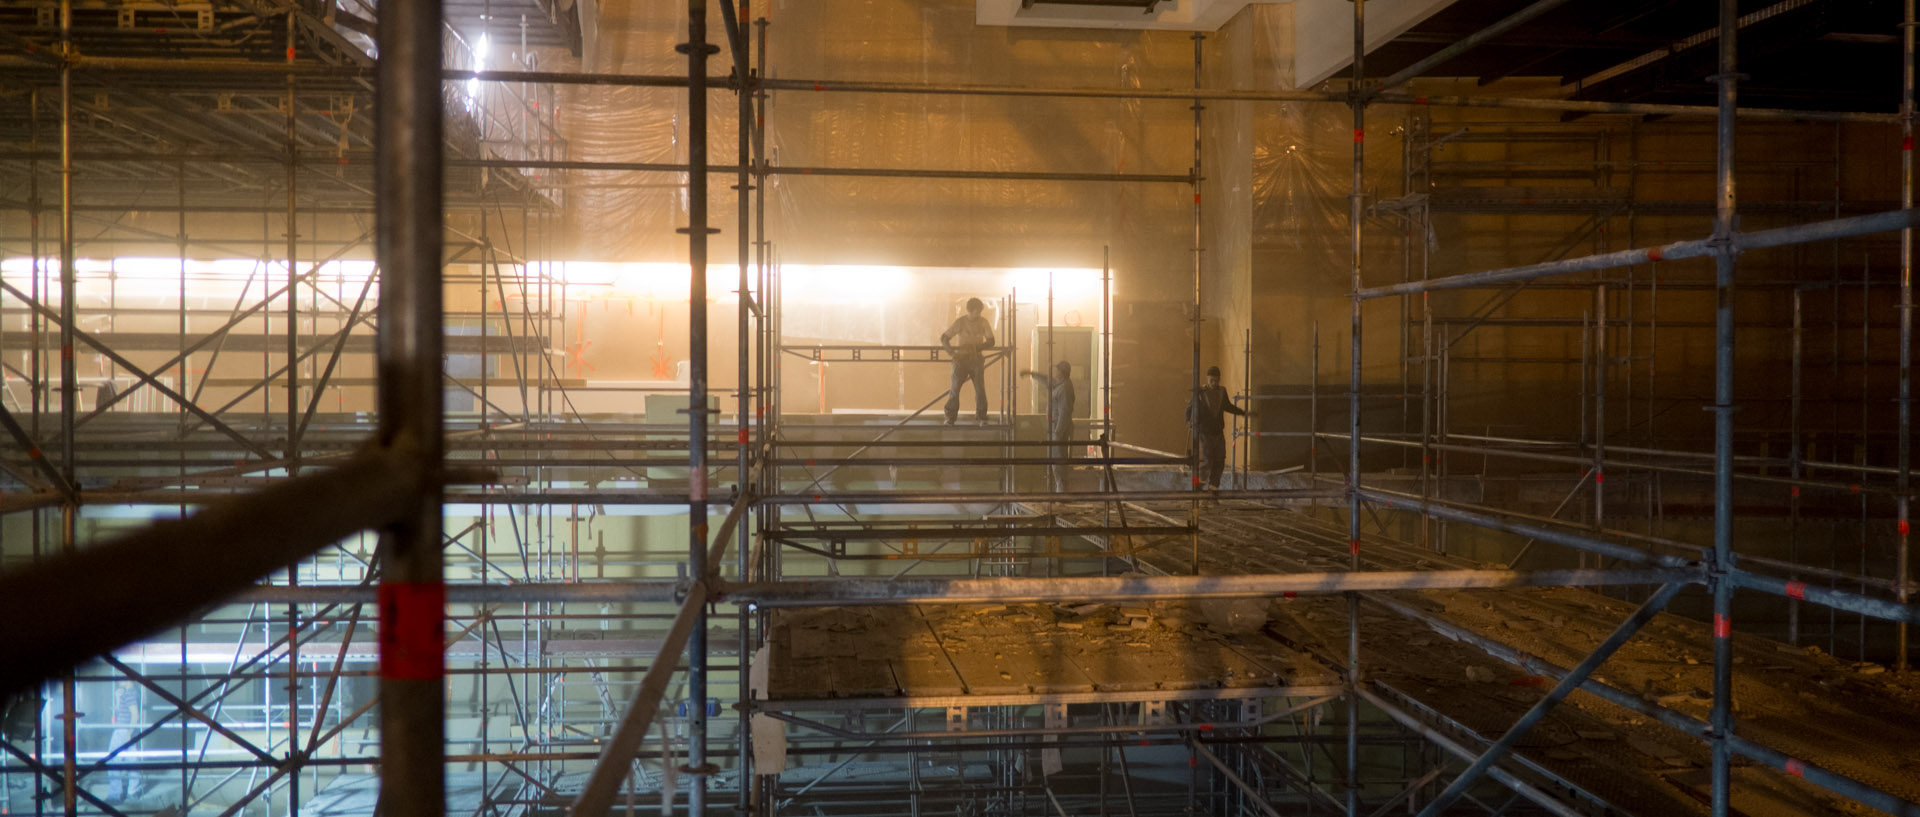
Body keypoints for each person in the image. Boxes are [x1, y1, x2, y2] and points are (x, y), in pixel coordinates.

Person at [1186, 365, 1252, 492]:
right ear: (1207, 379)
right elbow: (1189, 410)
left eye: (1217, 381)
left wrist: (1242, 413)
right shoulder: (1200, 393)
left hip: (1218, 433)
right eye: (1212, 381)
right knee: (1205, 460)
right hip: (1204, 433)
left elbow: (1228, 406)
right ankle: (1198, 486)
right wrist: (1189, 421)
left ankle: (1213, 488)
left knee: (1219, 460)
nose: (1215, 383)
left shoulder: (1222, 392)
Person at [1021, 360, 1076, 490]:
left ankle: (1061, 488)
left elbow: (1065, 412)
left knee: (1058, 458)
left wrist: (1058, 432)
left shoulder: (1065, 388)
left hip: (1058, 428)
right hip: (1055, 427)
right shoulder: (1060, 384)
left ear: (1062, 373)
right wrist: (1031, 373)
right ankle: (1060, 487)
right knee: (1055, 458)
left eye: (1058, 370)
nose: (1056, 373)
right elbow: (1047, 380)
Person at [940, 297, 996, 425]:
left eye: (979, 312)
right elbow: (944, 338)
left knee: (980, 389)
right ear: (969, 311)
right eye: (976, 312)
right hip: (961, 359)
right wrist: (952, 353)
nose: (978, 314)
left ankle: (981, 416)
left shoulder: (983, 322)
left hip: (976, 360)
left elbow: (991, 341)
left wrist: (976, 348)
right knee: (955, 388)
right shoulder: (960, 322)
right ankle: (950, 417)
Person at [106, 679, 140, 802]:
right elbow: (121, 711)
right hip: (127, 729)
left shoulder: (129, 693)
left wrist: (129, 733)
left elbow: (135, 714)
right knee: (132, 760)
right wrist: (118, 697)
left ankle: (115, 794)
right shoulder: (131, 692)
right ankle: (133, 791)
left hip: (123, 730)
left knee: (113, 760)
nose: (119, 680)